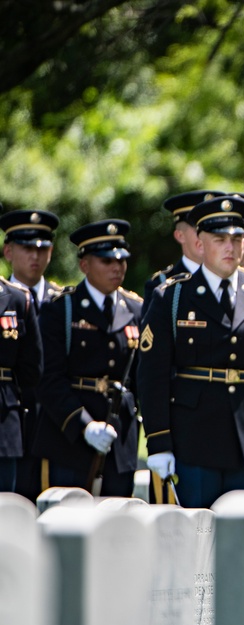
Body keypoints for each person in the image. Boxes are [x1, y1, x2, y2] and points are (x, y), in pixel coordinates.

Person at [138, 195, 244, 508]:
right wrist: (158, 441)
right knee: (198, 536)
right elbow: (152, 374)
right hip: (195, 436)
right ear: (199, 243)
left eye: (237, 239)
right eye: (220, 239)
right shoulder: (172, 296)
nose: (230, 247)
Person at [34, 220, 144, 496]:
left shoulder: (136, 308)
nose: (117, 267)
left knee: (117, 524)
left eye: (121, 260)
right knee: (69, 523)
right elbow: (48, 378)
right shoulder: (61, 310)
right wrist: (84, 425)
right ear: (85, 265)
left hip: (120, 439)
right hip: (70, 437)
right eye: (107, 260)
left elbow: (142, 376)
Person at [0, 209, 61, 500]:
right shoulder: (11, 297)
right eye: (26, 249)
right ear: (8, 251)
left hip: (51, 420)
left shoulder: (63, 301)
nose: (35, 257)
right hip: (11, 415)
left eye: (43, 248)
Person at [143, 190, 224, 317]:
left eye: (212, 228)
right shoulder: (161, 285)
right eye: (198, 228)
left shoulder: (232, 279)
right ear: (180, 235)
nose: (205, 235)